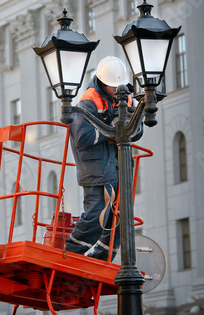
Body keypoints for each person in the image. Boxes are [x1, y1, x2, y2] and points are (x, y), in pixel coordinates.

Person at [65, 56, 143, 261]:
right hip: (96, 169)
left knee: (120, 218)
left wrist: (121, 128)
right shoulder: (89, 100)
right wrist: (112, 131)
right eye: (112, 86)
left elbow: (137, 130)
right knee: (97, 215)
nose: (116, 90)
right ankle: (69, 253)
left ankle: (100, 259)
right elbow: (83, 137)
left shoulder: (125, 97)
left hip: (118, 168)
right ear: (102, 82)